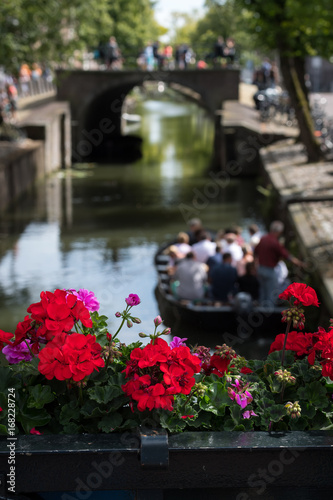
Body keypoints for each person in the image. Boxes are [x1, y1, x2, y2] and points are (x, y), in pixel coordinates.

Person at [254, 220, 304, 305]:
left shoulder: (263, 239)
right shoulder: (275, 242)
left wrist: (256, 266)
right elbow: (287, 256)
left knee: (262, 291)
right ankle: (269, 312)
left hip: (260, 269)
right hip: (269, 270)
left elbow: (255, 253)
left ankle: (261, 309)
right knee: (271, 294)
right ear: (279, 231)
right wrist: (300, 263)